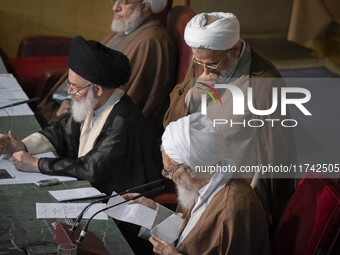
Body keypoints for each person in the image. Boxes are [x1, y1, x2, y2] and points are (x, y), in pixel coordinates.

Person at [163, 12, 297, 233]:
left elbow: (275, 157)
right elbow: (172, 125)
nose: (204, 71)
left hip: (236, 199)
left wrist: (255, 207)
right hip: (197, 185)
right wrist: (193, 96)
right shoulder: (205, 62)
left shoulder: (264, 82)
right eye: (198, 62)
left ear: (234, 50)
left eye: (211, 65)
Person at [0, 36, 162, 195]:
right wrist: (21, 146)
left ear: (97, 89)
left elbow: (91, 169)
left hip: (122, 205)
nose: (69, 92)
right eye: (69, 84)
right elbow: (61, 132)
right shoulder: (95, 102)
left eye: (74, 87)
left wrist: (37, 164)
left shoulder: (123, 121)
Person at [125, 113, 270, 254]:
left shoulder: (230, 210)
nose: (169, 177)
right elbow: (193, 231)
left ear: (190, 170)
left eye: (169, 171)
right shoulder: (210, 181)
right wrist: (153, 210)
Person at [36, 0, 176, 136]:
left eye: (125, 2)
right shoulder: (125, 28)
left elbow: (127, 95)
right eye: (115, 0)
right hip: (80, 99)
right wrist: (67, 100)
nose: (115, 7)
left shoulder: (152, 41)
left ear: (145, 5)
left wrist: (72, 106)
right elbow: (88, 71)